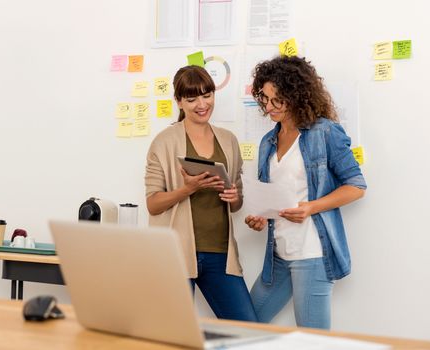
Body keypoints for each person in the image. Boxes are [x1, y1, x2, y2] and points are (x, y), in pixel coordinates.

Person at [245, 56, 366, 329]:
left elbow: (357, 186)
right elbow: (271, 196)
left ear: (296, 96)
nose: (270, 107)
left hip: (312, 252)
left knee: (313, 341)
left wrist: (310, 207)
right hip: (278, 253)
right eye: (265, 99)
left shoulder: (325, 132)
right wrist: (259, 217)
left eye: (278, 100)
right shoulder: (268, 142)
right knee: (243, 326)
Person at [145, 65, 257, 322]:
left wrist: (233, 197)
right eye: (192, 99)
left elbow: (237, 201)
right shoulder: (163, 142)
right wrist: (188, 189)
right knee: (175, 336)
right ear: (179, 101)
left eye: (207, 95)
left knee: (247, 331)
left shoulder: (228, 140)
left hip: (220, 254)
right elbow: (153, 204)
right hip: (176, 253)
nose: (201, 104)